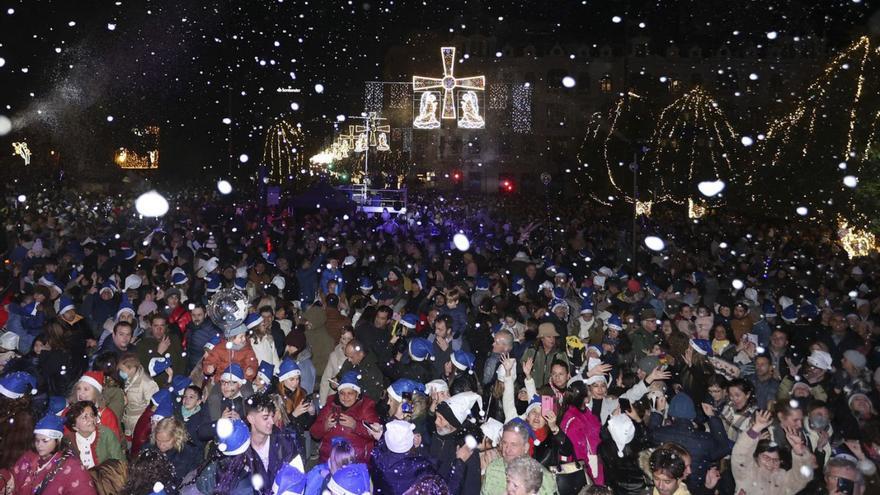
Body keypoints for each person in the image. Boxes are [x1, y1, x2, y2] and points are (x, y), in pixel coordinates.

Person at [648, 392, 730, 492]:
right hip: (695, 488)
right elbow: (724, 447)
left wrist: (658, 412)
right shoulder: (704, 439)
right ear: (692, 418)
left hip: (667, 486)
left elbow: (650, 433)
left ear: (672, 416)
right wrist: (712, 417)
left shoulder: (660, 433)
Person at [11, 414, 98, 495]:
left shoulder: (73, 467)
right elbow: (10, 477)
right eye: (37, 440)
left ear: (58, 440)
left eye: (45, 441)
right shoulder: (28, 458)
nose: (39, 445)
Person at [731, 409, 812, 494]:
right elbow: (740, 454)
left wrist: (799, 453)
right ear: (756, 457)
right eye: (766, 457)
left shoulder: (782, 478)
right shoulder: (747, 472)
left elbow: (801, 479)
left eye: (776, 460)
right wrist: (756, 429)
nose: (771, 463)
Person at [310, 371, 380, 463]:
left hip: (356, 461)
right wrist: (325, 425)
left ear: (357, 394)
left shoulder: (366, 407)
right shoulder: (331, 405)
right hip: (329, 460)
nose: (345, 397)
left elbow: (375, 434)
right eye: (342, 393)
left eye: (350, 393)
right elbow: (314, 432)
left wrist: (355, 425)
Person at [481, 420, 558, 495]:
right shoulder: (493, 468)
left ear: (526, 447)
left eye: (513, 445)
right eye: (504, 443)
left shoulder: (542, 478)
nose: (507, 449)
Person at [428, 391, 483, 495]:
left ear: (453, 424)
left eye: (441, 419)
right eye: (436, 417)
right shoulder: (437, 436)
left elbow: (471, 489)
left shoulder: (466, 450)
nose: (436, 422)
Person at [369, 419, 438, 495]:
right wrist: (419, 449)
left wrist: (383, 438)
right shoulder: (421, 466)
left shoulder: (377, 458)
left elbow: (386, 448)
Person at [63, 400, 125, 470]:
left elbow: (119, 462)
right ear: (75, 427)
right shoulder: (68, 441)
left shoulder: (106, 434)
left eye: (92, 415)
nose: (91, 419)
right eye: (85, 417)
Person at [145, 417, 201, 485]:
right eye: (158, 440)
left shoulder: (190, 453)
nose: (161, 445)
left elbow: (190, 481)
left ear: (176, 437)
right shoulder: (148, 447)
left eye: (166, 441)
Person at [70, 371, 123, 441]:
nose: (81, 393)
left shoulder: (107, 415)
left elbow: (114, 442)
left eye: (86, 389)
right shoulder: (69, 412)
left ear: (96, 393)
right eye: (78, 388)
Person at [136, 313, 185, 387]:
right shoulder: (143, 344)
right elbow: (145, 370)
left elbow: (182, 362)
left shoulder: (174, 339)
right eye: (156, 326)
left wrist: (178, 381)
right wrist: (158, 352)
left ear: (166, 327)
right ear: (151, 326)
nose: (159, 329)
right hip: (155, 387)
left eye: (162, 326)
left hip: (175, 384)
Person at [119, 352, 160, 439]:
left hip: (139, 421)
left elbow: (153, 406)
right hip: (128, 419)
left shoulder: (147, 383)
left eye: (123, 370)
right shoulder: (128, 379)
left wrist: (145, 423)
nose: (121, 373)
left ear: (133, 369)